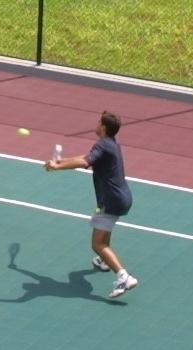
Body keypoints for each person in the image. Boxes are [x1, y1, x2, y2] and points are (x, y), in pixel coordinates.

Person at [46, 112, 138, 299]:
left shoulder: (103, 145)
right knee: (103, 237)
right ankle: (105, 262)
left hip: (111, 201)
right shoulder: (111, 144)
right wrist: (62, 161)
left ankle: (124, 277)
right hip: (122, 198)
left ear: (103, 127)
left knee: (97, 243)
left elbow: (84, 162)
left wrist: (56, 167)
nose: (96, 124)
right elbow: (87, 157)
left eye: (98, 122)